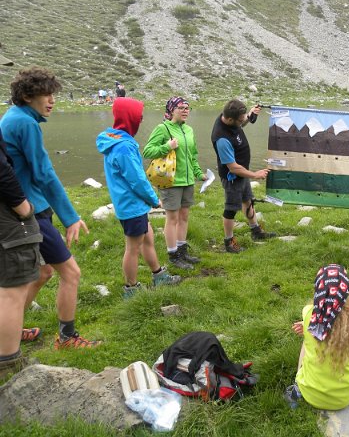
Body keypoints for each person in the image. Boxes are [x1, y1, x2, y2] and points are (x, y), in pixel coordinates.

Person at [0, 66, 101, 349]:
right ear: (27, 95)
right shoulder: (25, 123)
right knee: (71, 273)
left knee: (43, 272)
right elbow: (44, 173)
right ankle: (67, 338)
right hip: (27, 211)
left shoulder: (15, 118)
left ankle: (12, 327)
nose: (52, 100)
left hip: (30, 207)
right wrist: (70, 216)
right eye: (46, 94)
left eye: (53, 94)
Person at [97, 97, 181, 298]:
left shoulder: (114, 138)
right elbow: (137, 181)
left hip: (130, 204)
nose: (141, 119)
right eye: (138, 115)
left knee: (148, 239)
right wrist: (154, 199)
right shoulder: (124, 147)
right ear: (129, 117)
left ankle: (158, 275)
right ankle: (131, 289)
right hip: (131, 205)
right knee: (133, 248)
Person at [0, 49, 43, 376]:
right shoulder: (22, 121)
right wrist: (22, 205)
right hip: (10, 214)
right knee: (13, 288)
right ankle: (9, 363)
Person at [285, 264, 349, 410]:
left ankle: (297, 388)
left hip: (312, 395)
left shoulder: (308, 312)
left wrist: (306, 326)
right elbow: (334, 322)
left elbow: (320, 320)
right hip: (347, 395)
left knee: (306, 342)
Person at [143, 97, 206, 270]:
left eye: (187, 108)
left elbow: (192, 155)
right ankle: (173, 255)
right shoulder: (162, 128)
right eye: (181, 107)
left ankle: (182, 250)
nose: (185, 110)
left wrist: (199, 173)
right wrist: (167, 146)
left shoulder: (189, 130)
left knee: (184, 216)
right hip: (170, 180)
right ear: (171, 110)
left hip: (187, 181)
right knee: (172, 218)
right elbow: (148, 151)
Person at [211, 99, 276, 253]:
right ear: (229, 119)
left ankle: (256, 231)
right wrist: (255, 174)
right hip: (233, 178)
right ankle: (229, 242)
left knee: (248, 200)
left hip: (242, 173)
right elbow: (233, 168)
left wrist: (250, 114)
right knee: (231, 209)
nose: (242, 122)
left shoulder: (230, 118)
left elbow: (243, 121)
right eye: (240, 120)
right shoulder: (222, 139)